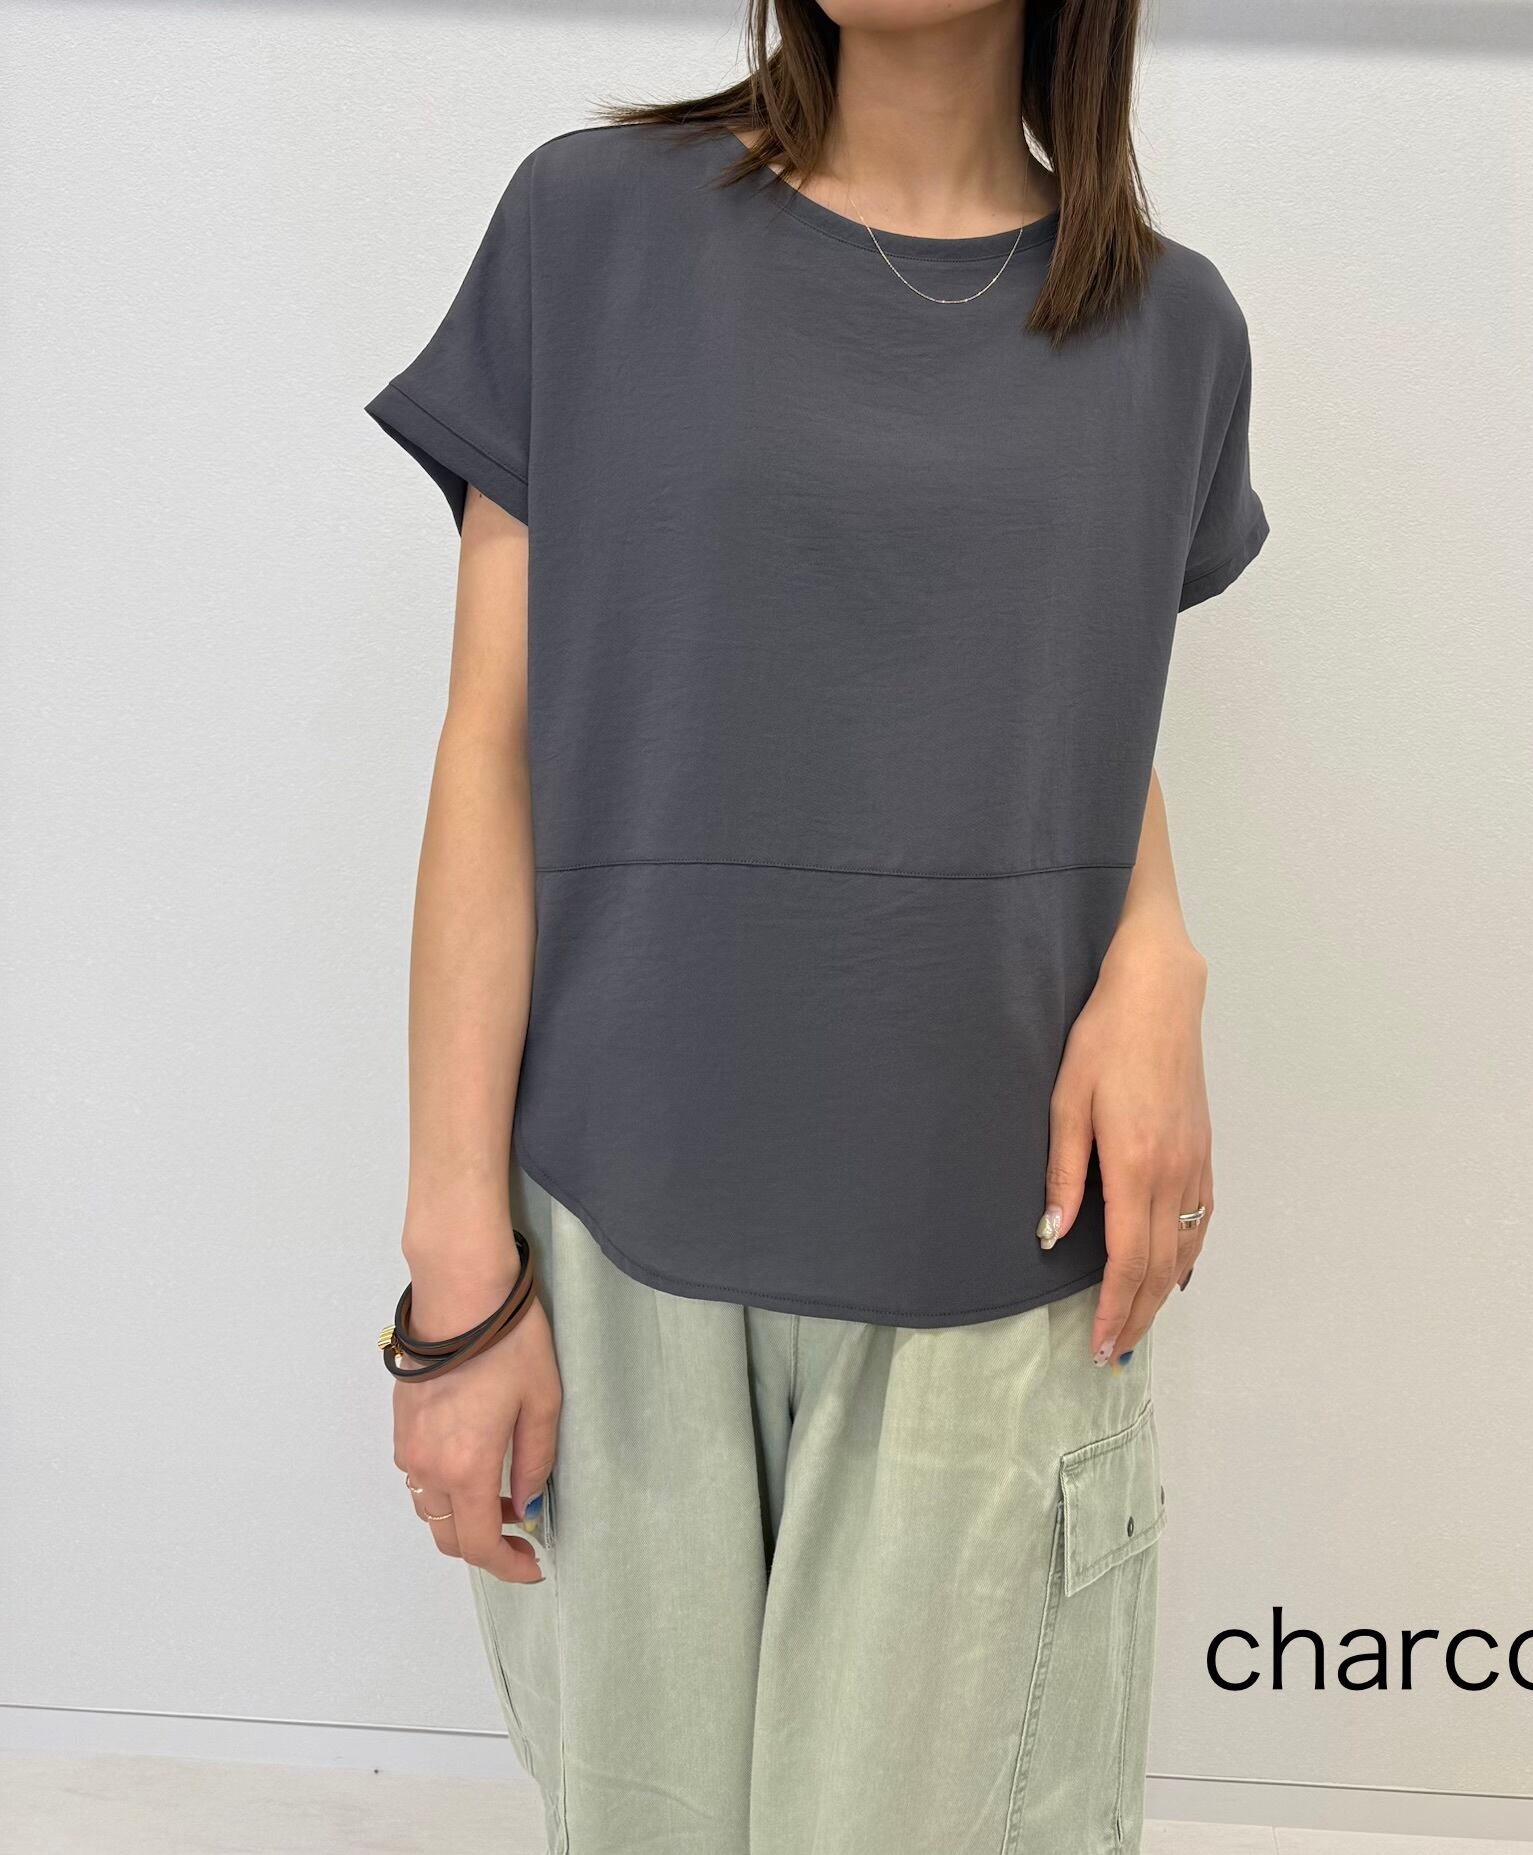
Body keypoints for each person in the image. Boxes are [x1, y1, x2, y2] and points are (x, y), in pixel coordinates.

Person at [364, 1, 1267, 1848]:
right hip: (620, 1239)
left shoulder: (1171, 330)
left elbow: (1071, 701)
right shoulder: (593, 228)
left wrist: (1161, 957)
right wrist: (456, 1273)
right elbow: (492, 745)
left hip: (999, 1243)